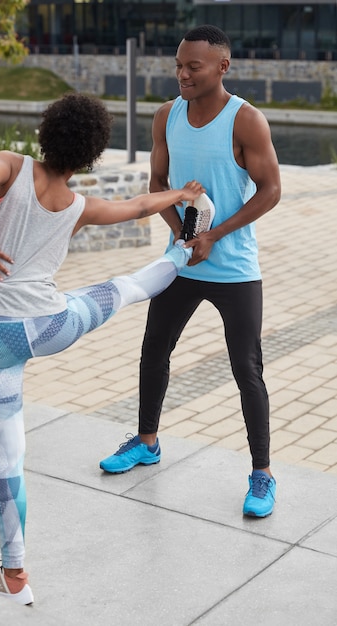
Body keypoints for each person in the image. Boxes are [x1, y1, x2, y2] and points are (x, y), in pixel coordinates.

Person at [0, 92, 206, 605]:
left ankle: (15, 574)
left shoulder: (11, 164)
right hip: (51, 325)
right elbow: (139, 205)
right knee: (123, 289)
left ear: (46, 131)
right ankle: (184, 253)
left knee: (9, 457)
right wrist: (180, 194)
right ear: (91, 155)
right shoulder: (78, 206)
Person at [100, 25, 281, 519]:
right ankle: (146, 441)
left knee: (247, 369)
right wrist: (183, 234)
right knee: (153, 352)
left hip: (236, 268)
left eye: (192, 67)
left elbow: (270, 191)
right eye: (178, 65)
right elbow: (158, 183)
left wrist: (213, 236)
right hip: (181, 262)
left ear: (222, 67)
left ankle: (262, 474)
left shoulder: (246, 121)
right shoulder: (166, 116)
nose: (181, 74)